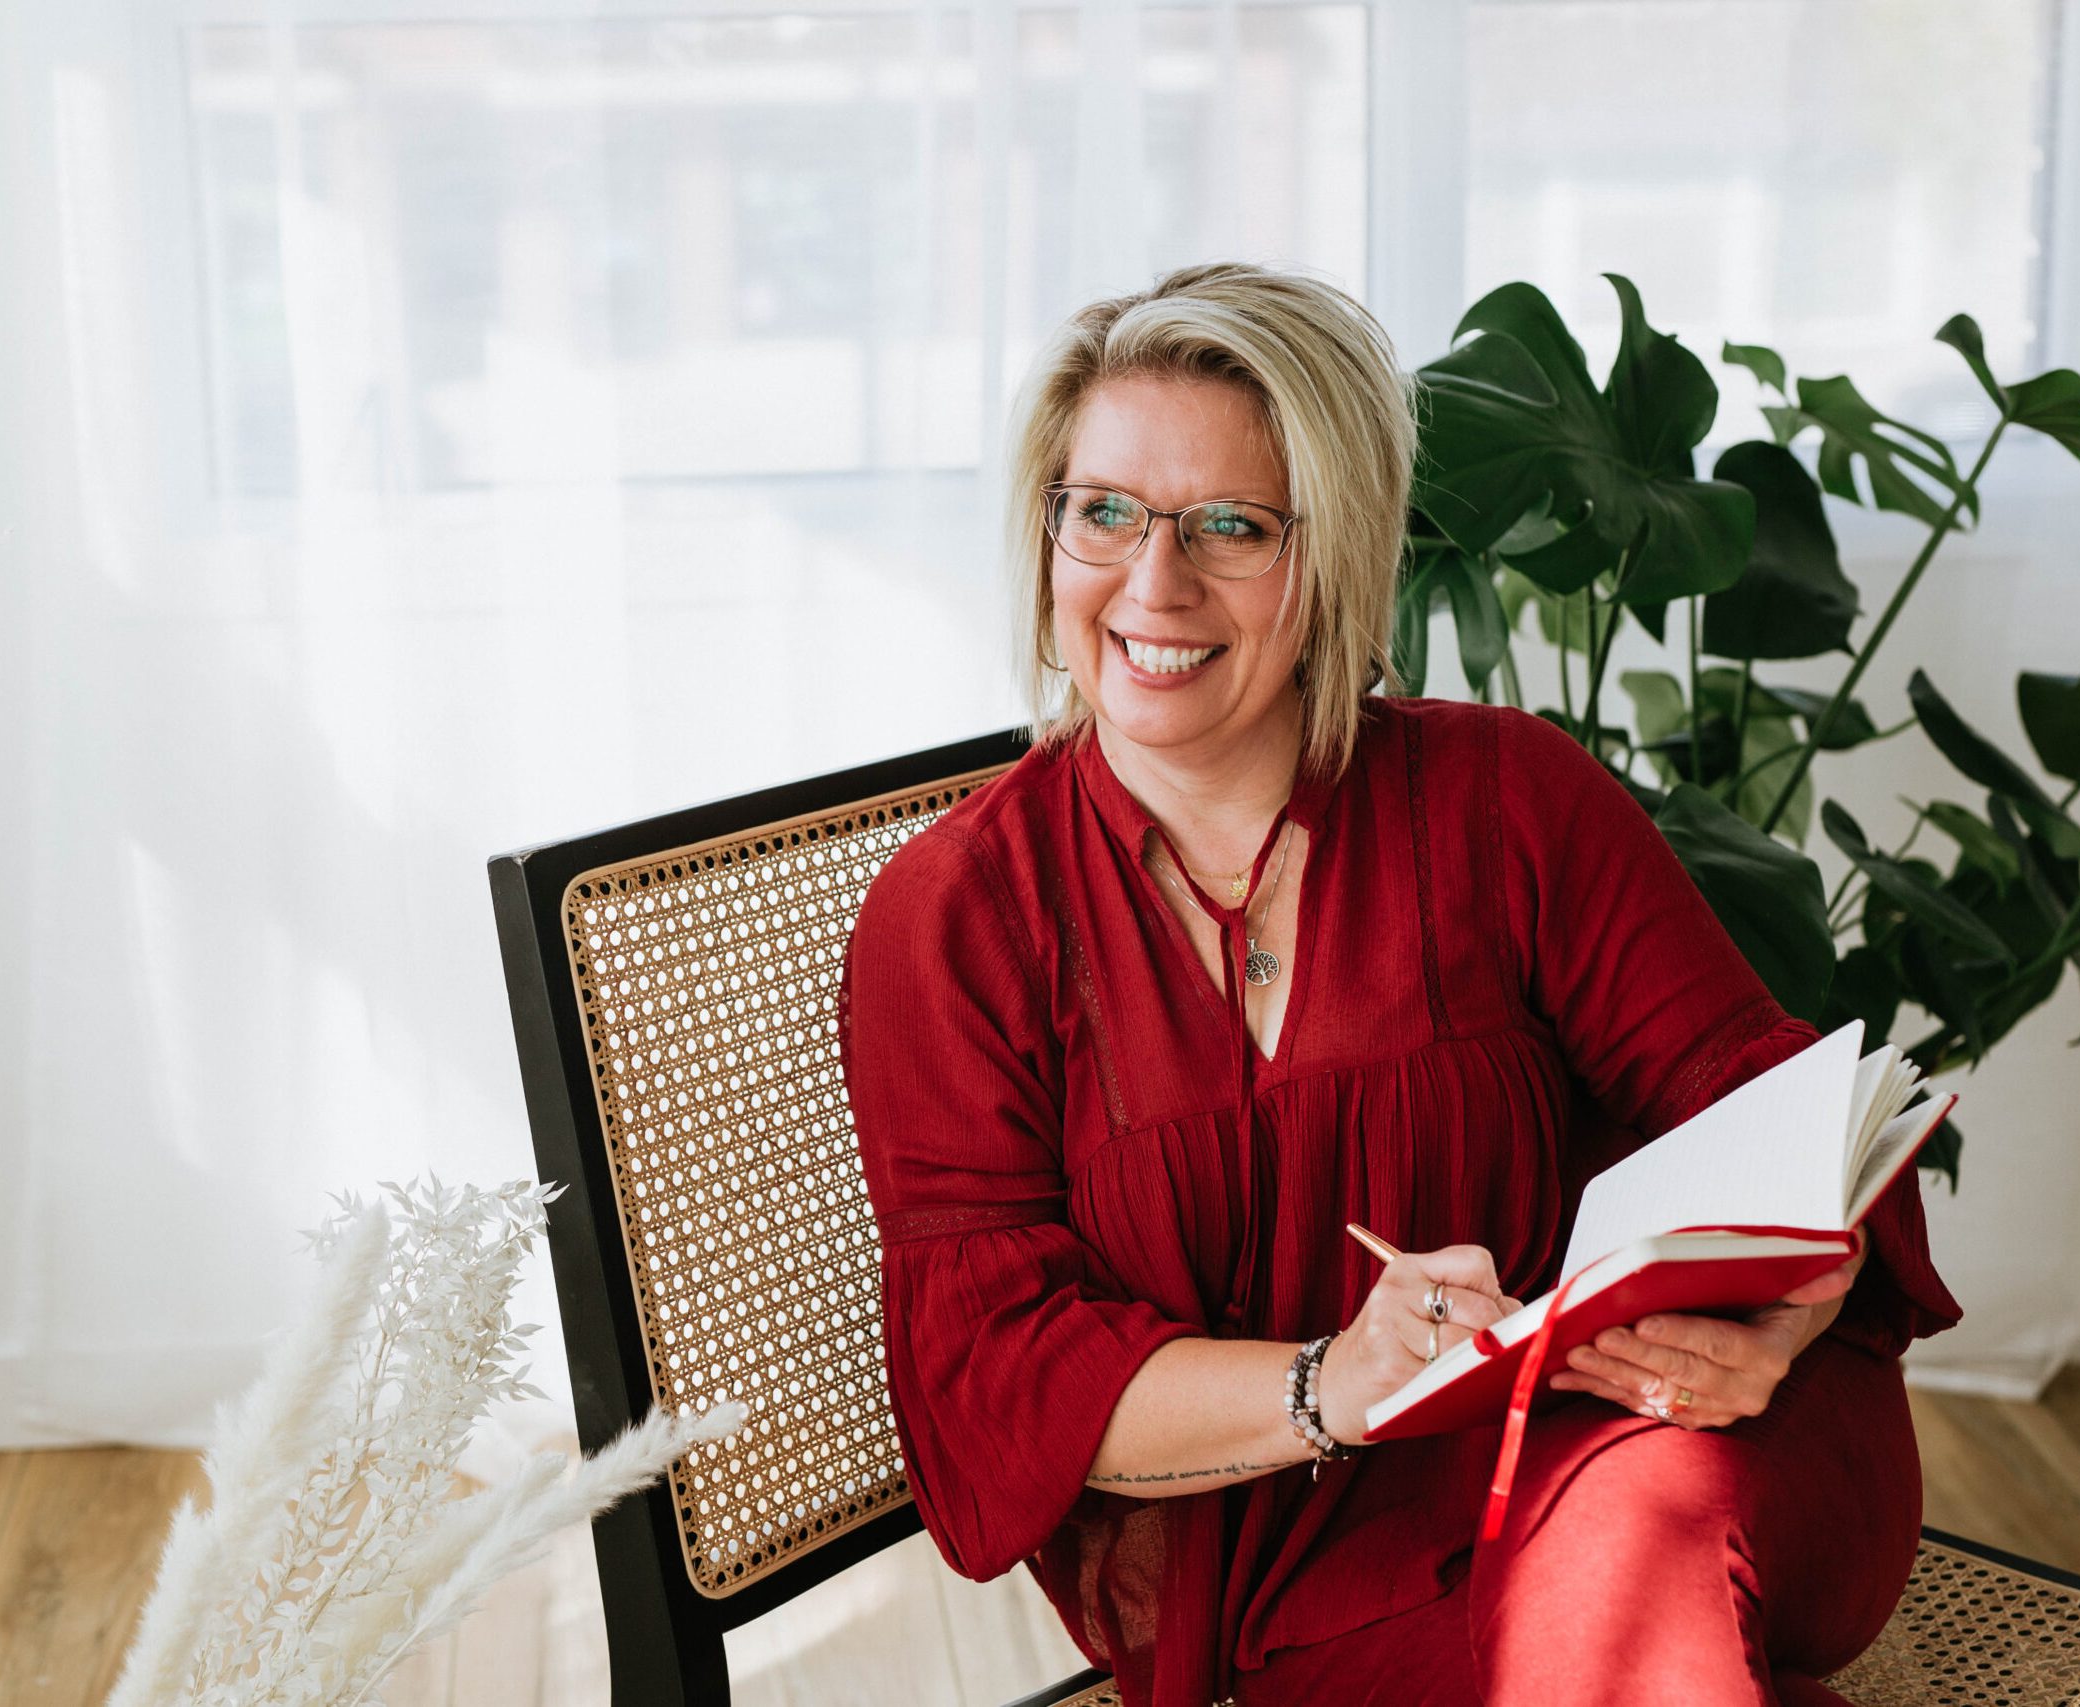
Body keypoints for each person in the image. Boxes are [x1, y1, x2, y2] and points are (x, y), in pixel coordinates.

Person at [833, 260, 1961, 1707]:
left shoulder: (1508, 797)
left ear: (1337, 553)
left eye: (1230, 526)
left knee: (1625, 1550)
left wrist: (1778, 1328)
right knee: (1630, 1641)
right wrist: (1335, 1383)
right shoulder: (951, 922)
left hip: (1685, 1434)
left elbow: (1766, 1101)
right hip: (1296, 1572)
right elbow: (1000, 1379)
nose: (1151, 583)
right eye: (1101, 510)